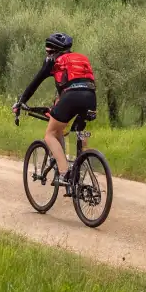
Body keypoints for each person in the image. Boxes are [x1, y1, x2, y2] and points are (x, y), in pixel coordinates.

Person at [13, 32, 97, 186]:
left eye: (48, 51)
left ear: (52, 51)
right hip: (91, 98)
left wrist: (21, 102)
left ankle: (64, 173)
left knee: (50, 134)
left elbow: (35, 83)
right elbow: (72, 84)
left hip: (71, 97)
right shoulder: (79, 59)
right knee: (75, 132)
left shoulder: (52, 61)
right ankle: (81, 168)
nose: (47, 54)